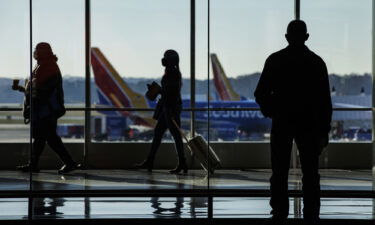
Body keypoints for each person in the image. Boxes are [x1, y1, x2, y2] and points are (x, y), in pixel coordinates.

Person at [254, 20, 332, 225]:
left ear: (287, 37)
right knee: (311, 173)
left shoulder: (275, 60)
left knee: (279, 172)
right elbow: (325, 102)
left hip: (283, 121)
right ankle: (312, 212)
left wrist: (274, 110)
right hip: (309, 124)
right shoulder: (316, 63)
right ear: (307, 37)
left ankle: (280, 211)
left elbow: (260, 93)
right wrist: (324, 131)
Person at [12, 42, 81, 174]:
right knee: (41, 138)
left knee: (49, 138)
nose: (35, 52)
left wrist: (27, 91)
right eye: (35, 50)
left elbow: (43, 90)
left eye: (38, 50)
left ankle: (69, 162)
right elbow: (37, 90)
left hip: (46, 110)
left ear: (44, 52)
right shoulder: (42, 66)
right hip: (43, 110)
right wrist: (23, 89)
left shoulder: (49, 67)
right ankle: (35, 164)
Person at [136, 50, 187, 174]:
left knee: (175, 136)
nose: (163, 60)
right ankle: (150, 161)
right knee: (159, 133)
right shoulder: (172, 72)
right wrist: (160, 90)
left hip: (170, 109)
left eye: (166, 58)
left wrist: (159, 91)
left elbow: (172, 94)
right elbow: (171, 91)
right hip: (168, 108)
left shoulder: (173, 73)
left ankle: (182, 163)